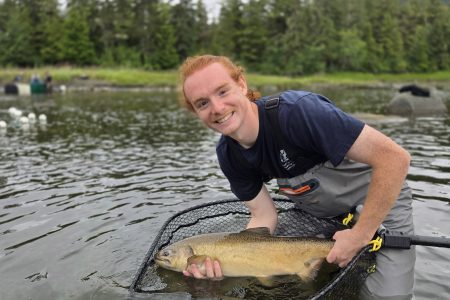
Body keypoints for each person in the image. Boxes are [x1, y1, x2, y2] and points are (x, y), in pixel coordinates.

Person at [178, 55, 415, 300]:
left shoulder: (298, 113)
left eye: (222, 91)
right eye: (202, 103)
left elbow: (395, 159)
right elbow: (264, 215)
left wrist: (360, 235)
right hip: (318, 215)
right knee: (265, 290)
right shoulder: (229, 155)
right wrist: (230, 260)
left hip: (383, 202)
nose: (217, 108)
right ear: (196, 112)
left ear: (241, 84)